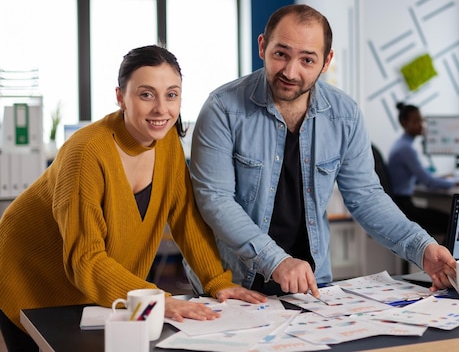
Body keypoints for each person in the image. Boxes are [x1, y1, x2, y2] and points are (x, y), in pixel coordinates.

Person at [0, 45, 266, 352]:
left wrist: (218, 282)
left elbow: (186, 220)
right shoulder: (86, 153)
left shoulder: (167, 146)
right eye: (146, 94)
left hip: (95, 289)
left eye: (171, 94)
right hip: (29, 278)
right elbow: (85, 259)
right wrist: (158, 300)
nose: (161, 109)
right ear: (120, 97)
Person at [185, 4, 456, 298]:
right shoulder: (223, 108)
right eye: (281, 54)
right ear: (263, 46)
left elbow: (367, 197)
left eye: (307, 60)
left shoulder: (345, 115)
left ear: (326, 62)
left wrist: (422, 246)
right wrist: (276, 260)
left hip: (312, 282)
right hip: (233, 281)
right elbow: (215, 200)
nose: (291, 71)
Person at [387, 103, 456, 238]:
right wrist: (458, 183)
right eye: (416, 121)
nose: (422, 125)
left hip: (401, 204)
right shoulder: (406, 149)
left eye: (422, 120)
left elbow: (420, 178)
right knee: (452, 221)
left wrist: (444, 178)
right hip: (404, 207)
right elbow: (428, 182)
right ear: (404, 123)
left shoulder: (402, 144)